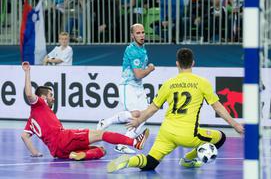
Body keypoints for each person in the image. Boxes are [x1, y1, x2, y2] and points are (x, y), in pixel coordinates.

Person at [107, 48, 244, 172]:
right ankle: (188, 160)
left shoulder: (168, 84)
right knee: (221, 137)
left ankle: (130, 161)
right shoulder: (202, 83)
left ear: (177, 64)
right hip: (189, 135)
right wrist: (235, 125)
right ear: (193, 63)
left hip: (166, 132)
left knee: (151, 162)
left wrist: (138, 121)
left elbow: (152, 109)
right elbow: (218, 107)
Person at [21, 61, 149, 160]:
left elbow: (24, 136)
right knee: (101, 134)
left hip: (57, 152)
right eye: (50, 95)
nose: (53, 99)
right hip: (63, 138)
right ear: (42, 97)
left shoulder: (31, 120)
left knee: (101, 150)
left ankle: (80, 155)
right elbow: (28, 94)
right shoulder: (40, 103)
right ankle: (135, 142)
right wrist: (27, 72)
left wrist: (36, 153)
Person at [96, 23, 155, 154]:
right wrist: (150, 69)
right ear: (132, 35)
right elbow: (138, 74)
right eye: (138, 33)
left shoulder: (142, 48)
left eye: (143, 32)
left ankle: (122, 143)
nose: (141, 35)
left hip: (139, 87)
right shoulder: (132, 50)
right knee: (136, 114)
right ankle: (106, 121)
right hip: (128, 85)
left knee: (144, 115)